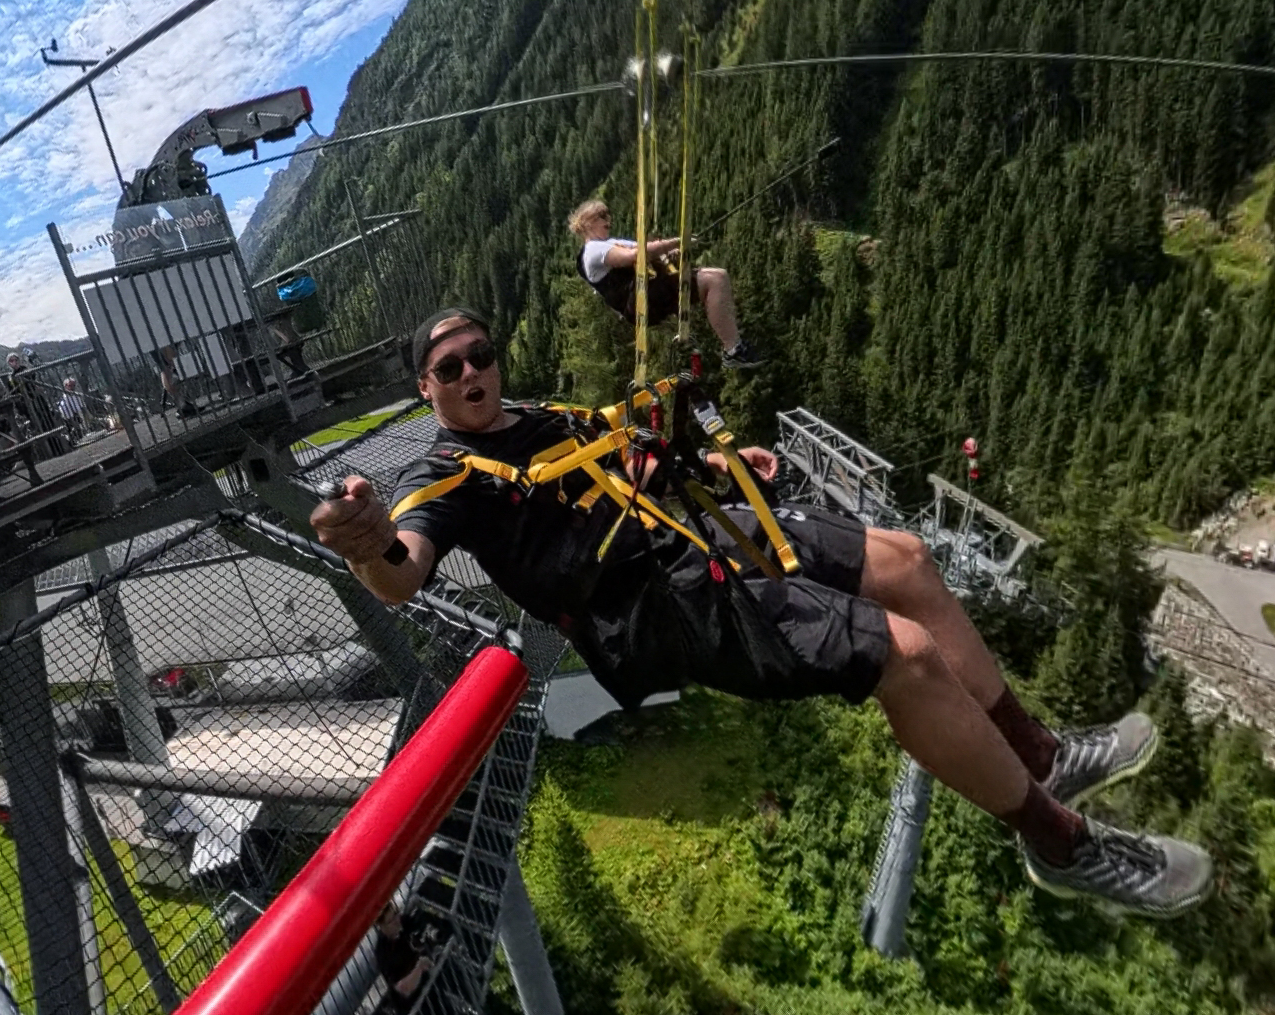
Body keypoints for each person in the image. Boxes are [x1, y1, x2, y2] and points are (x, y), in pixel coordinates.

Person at [309, 307, 1215, 919]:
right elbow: (404, 572)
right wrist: (368, 544)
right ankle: (1060, 842)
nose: (472, 371)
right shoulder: (443, 478)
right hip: (659, 607)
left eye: (480, 354)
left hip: (686, 533)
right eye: (450, 367)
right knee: (903, 653)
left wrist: (713, 461)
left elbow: (628, 461)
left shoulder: (539, 415)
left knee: (907, 559)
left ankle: (1040, 755)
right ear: (426, 388)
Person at [567, 199, 766, 370]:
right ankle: (733, 349)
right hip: (641, 300)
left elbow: (646, 251)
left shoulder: (609, 244)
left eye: (608, 215)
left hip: (650, 292)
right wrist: (676, 242)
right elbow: (637, 255)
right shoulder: (593, 250)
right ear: (587, 223)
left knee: (718, 278)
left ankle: (734, 348)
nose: (608, 220)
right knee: (715, 280)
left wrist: (668, 252)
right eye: (602, 216)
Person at [371, 903, 433, 1014]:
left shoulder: (404, 922)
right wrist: (419, 968)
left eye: (396, 914)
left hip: (431, 989)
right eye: (391, 921)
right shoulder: (383, 953)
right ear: (382, 927)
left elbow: (421, 928)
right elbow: (403, 988)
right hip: (413, 1006)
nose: (397, 920)